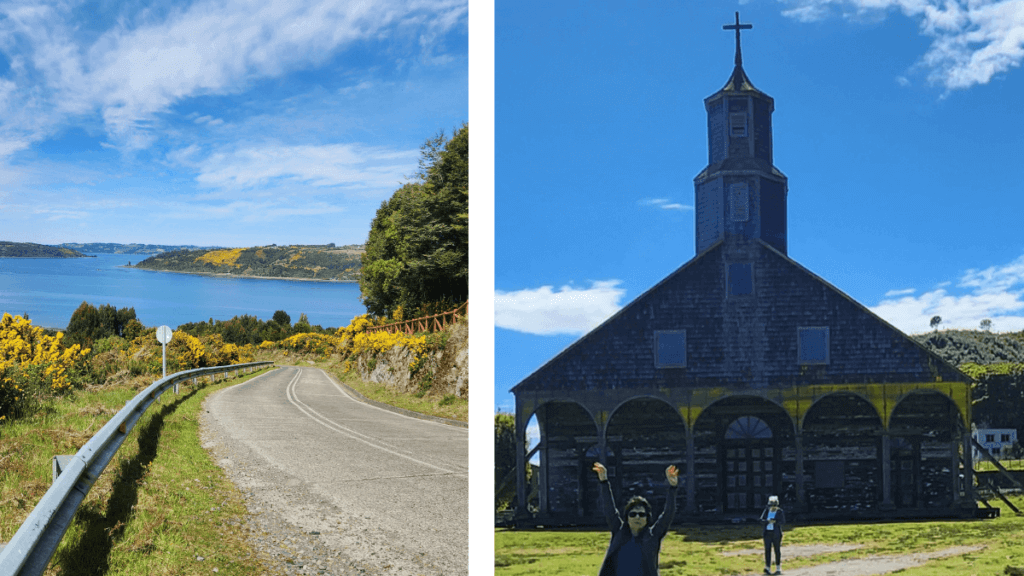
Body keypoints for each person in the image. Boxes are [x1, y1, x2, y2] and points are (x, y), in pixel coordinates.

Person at [592, 461, 679, 576]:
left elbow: (668, 514)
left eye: (641, 514)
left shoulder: (653, 536)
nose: (637, 517)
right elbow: (610, 509)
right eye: (633, 514)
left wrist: (672, 488)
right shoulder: (619, 531)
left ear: (647, 518)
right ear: (627, 517)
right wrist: (604, 481)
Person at [760, 495, 786, 575]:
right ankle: (767, 567)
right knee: (767, 550)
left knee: (777, 550)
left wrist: (775, 522)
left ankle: (778, 568)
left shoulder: (780, 511)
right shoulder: (766, 511)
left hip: (776, 533)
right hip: (767, 533)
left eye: (774, 505)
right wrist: (768, 521)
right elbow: (761, 520)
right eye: (771, 505)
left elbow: (783, 521)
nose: (773, 507)